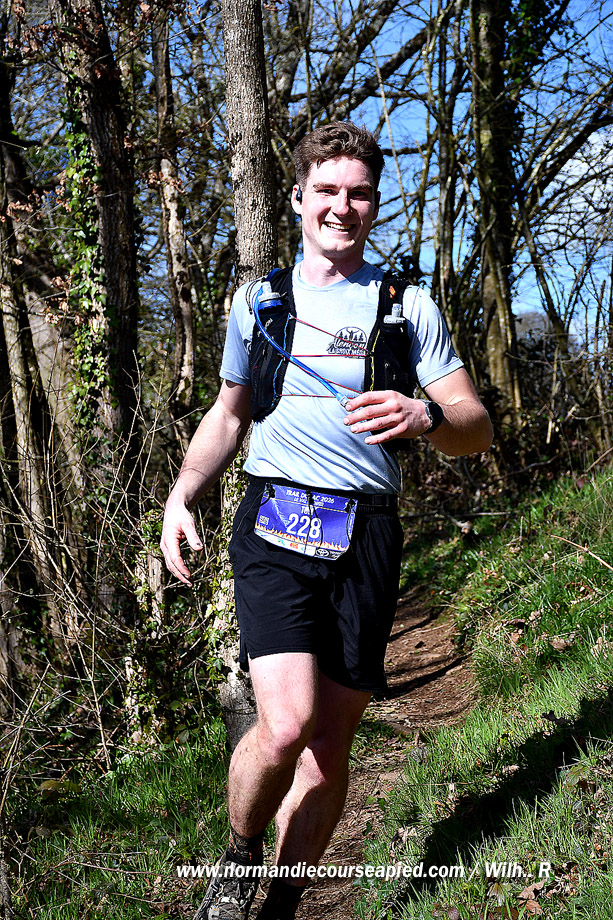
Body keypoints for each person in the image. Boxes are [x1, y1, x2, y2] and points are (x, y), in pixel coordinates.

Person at [160, 121, 493, 920]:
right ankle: (238, 861)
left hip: (366, 531)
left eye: (359, 193)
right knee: (285, 725)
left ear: (374, 204)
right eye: (327, 191)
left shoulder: (405, 306)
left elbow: (474, 427)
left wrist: (425, 416)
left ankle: (283, 903)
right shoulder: (259, 301)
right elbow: (228, 414)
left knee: (327, 747)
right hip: (273, 520)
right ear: (297, 198)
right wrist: (182, 493)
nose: (342, 206)